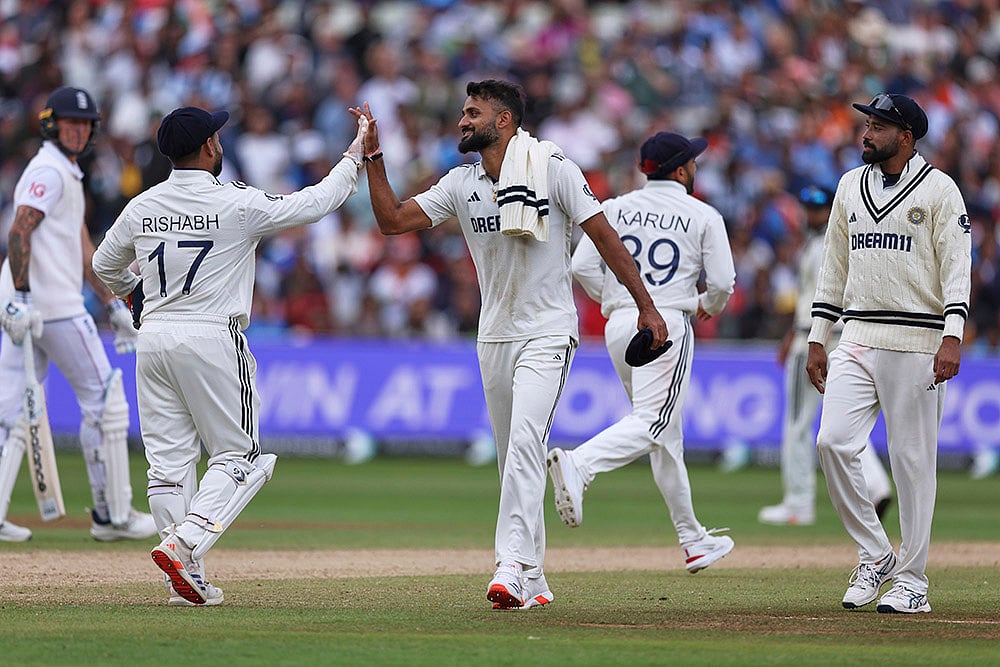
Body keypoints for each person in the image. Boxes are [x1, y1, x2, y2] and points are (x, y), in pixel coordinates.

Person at [352, 80, 667, 609]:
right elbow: (391, 221)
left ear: (504, 122)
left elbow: (605, 236)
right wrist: (375, 158)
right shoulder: (461, 183)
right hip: (494, 333)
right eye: (462, 112)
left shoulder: (552, 168)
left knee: (525, 442)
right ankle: (537, 578)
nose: (462, 121)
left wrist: (646, 305)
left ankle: (510, 567)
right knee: (511, 458)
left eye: (472, 113)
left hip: (548, 330)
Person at [92, 106, 369, 606]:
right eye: (217, 137)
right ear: (209, 148)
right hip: (213, 337)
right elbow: (314, 203)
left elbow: (102, 263)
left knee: (169, 467)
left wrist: (133, 296)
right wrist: (354, 156)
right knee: (242, 456)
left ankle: (186, 575)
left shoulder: (143, 205)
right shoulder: (234, 203)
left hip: (153, 338)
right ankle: (185, 543)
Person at [805, 93, 971, 614]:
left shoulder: (941, 190)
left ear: (906, 136)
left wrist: (953, 333)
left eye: (878, 126)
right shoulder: (850, 186)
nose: (866, 133)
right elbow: (834, 265)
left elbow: (957, 266)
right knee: (832, 442)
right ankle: (876, 553)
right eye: (867, 124)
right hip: (856, 334)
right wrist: (818, 334)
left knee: (912, 463)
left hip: (919, 340)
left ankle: (913, 580)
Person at [548, 131, 737, 574]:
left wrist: (615, 300)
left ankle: (693, 540)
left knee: (665, 437)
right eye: (692, 162)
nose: (696, 167)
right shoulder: (703, 214)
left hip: (620, 325)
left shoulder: (614, 207)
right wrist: (707, 307)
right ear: (681, 170)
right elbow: (724, 282)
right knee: (655, 424)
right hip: (665, 323)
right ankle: (580, 465)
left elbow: (580, 267)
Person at [0, 86, 155, 543]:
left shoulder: (67, 172)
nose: (78, 130)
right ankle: (114, 516)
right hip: (50, 308)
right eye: (70, 122)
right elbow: (19, 228)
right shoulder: (48, 170)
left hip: (26, 307)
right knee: (105, 401)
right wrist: (24, 297)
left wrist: (112, 302)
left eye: (85, 124)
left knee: (10, 413)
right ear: (51, 124)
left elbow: (82, 247)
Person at [758, 185, 892, 526]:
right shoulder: (844, 242)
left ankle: (798, 503)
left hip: (815, 340)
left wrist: (801, 335)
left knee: (799, 424)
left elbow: (820, 299)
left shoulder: (822, 245)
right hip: (833, 337)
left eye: (819, 209)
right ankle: (876, 488)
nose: (812, 215)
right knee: (846, 422)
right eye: (809, 208)